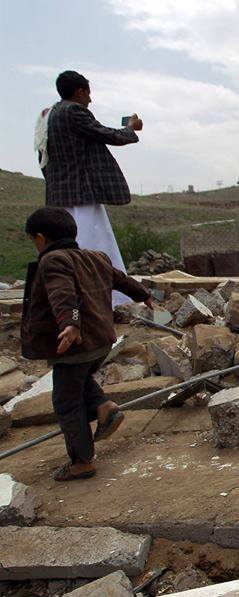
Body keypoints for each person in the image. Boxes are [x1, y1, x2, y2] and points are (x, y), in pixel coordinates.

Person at [20, 207, 152, 481]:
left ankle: (82, 462)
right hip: (100, 342)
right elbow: (122, 280)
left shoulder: (53, 260)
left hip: (75, 345)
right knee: (78, 383)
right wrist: (144, 295)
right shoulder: (96, 258)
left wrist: (71, 323)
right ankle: (103, 407)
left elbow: (63, 294)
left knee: (67, 403)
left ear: (41, 238)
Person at [41, 70, 143, 308]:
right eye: (88, 94)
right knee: (92, 243)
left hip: (62, 193)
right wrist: (130, 128)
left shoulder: (51, 114)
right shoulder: (74, 111)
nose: (90, 100)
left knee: (69, 246)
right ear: (80, 91)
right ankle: (103, 298)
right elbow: (107, 134)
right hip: (81, 193)